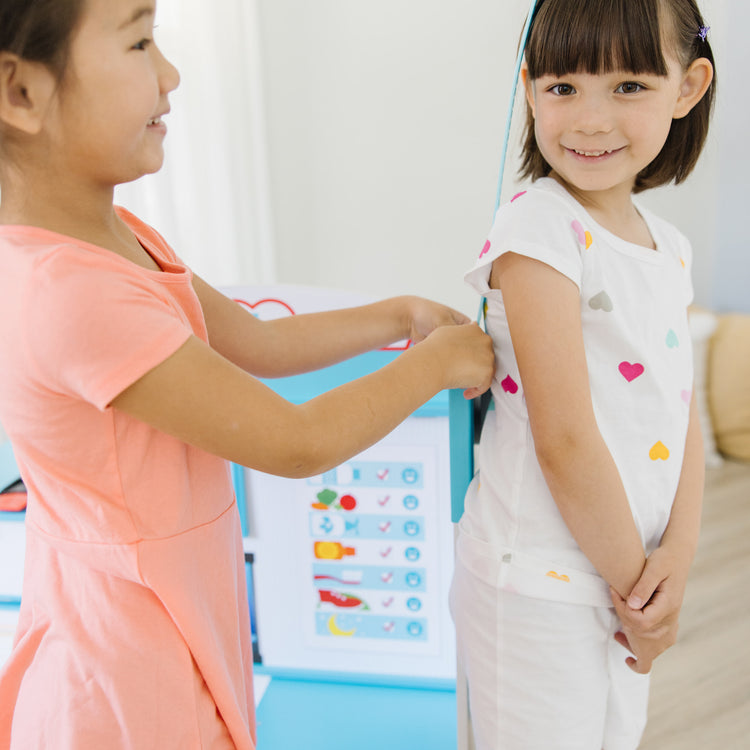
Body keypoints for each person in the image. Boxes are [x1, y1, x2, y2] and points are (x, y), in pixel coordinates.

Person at [0, 1, 495, 748]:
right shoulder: (72, 296)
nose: (170, 74)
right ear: (21, 94)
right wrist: (435, 366)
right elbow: (292, 441)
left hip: (154, 612)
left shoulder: (113, 235)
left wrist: (396, 315)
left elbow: (254, 344)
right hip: (128, 658)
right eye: (138, 42)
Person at [449, 0, 715, 748]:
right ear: (529, 89)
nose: (591, 120)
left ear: (687, 88)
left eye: (629, 86)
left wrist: (677, 557)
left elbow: (679, 410)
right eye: (564, 87)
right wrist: (642, 595)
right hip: (534, 583)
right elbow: (563, 439)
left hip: (619, 576)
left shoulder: (671, 248)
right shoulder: (538, 227)